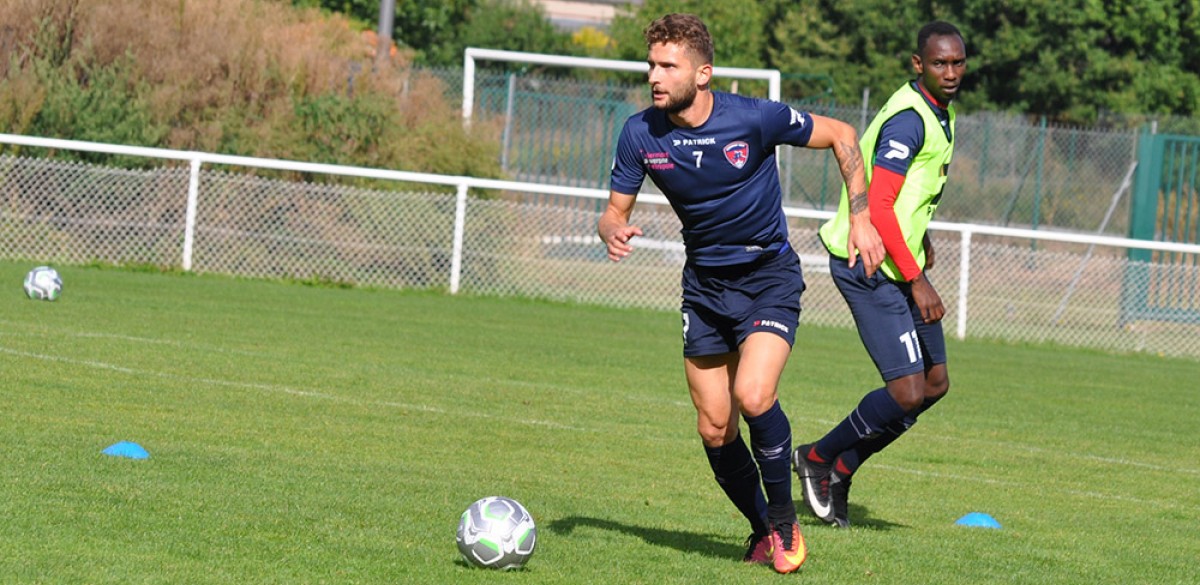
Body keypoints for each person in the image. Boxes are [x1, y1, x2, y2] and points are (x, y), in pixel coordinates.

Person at [598, 13, 884, 573]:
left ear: (702, 73)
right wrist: (613, 231)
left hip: (767, 279)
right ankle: (761, 530)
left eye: (667, 65)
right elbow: (612, 213)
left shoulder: (753, 118)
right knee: (714, 426)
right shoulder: (639, 133)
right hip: (703, 289)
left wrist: (861, 217)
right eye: (651, 64)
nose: (655, 76)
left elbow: (843, 136)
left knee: (755, 397)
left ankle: (783, 523)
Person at [792, 21, 967, 529]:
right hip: (870, 265)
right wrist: (916, 278)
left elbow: (909, 197)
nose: (950, 71)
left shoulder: (939, 111)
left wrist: (922, 237)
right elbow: (882, 207)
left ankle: (842, 467)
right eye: (940, 63)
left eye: (958, 62)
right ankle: (819, 458)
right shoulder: (909, 120)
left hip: (899, 258)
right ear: (919, 65)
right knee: (908, 390)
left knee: (934, 384)